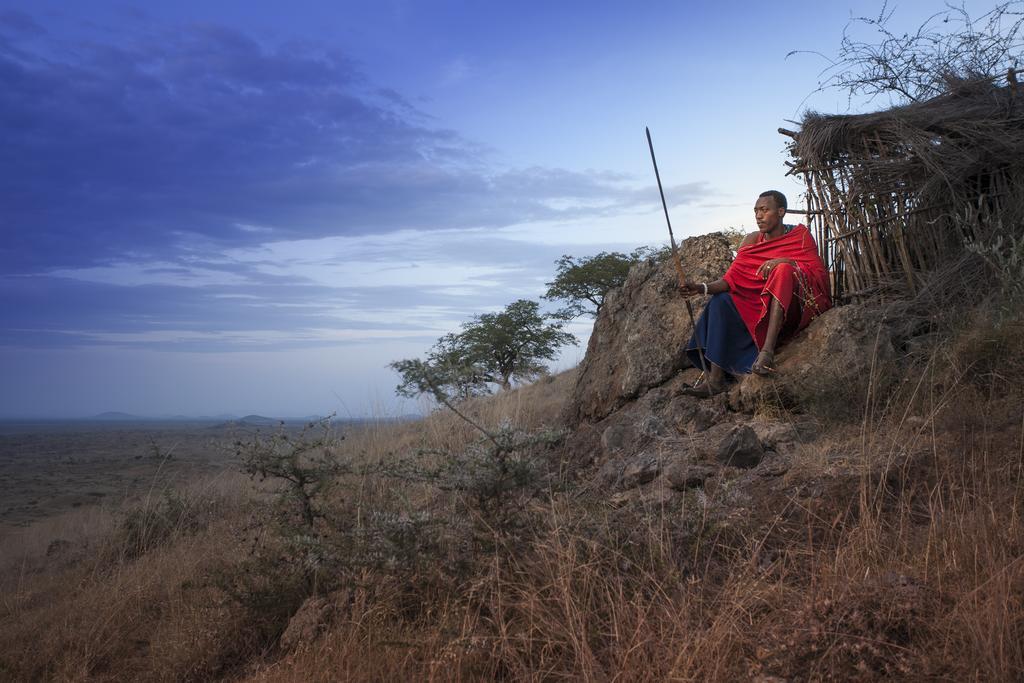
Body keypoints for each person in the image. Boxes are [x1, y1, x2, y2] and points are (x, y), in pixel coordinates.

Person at [678, 190, 831, 397]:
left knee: (783, 271)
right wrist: (700, 287)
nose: (759, 216)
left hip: (790, 308)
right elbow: (730, 280)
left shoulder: (800, 236)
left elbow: (816, 272)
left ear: (781, 212)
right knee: (721, 300)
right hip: (757, 305)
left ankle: (766, 353)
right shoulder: (751, 241)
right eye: (756, 211)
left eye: (764, 210)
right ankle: (715, 380)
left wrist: (783, 262)